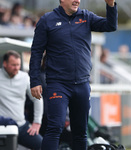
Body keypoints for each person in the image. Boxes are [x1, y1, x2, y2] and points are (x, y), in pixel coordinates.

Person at [29, 0, 118, 150]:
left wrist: (110, 5)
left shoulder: (87, 17)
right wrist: (34, 80)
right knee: (55, 127)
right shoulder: (47, 20)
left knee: (80, 131)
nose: (77, 0)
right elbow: (36, 52)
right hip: (58, 84)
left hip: (82, 84)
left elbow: (111, 26)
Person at [0, 50, 43, 150]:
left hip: (21, 126)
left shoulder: (24, 77)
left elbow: (38, 99)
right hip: (2, 127)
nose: (16, 68)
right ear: (5, 64)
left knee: (44, 146)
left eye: (18, 65)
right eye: (13, 65)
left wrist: (37, 122)